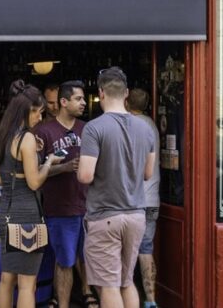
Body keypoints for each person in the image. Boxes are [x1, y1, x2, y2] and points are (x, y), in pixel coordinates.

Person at [78, 68, 156, 308]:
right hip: (136, 215)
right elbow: (147, 173)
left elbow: (85, 175)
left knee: (109, 285)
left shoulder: (94, 128)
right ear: (126, 94)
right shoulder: (146, 128)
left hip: (105, 216)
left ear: (100, 93)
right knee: (126, 281)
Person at [0, 80, 64, 308]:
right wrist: (48, 162)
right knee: (27, 285)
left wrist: (33, 156)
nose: (40, 118)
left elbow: (2, 179)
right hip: (27, 217)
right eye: (38, 113)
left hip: (5, 213)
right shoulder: (27, 139)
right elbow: (34, 183)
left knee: (6, 279)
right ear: (26, 110)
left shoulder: (0, 136)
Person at [34, 80, 97, 308]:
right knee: (65, 262)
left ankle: (88, 293)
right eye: (78, 99)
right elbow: (34, 173)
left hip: (90, 207)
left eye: (83, 99)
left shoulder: (87, 129)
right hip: (60, 209)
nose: (83, 103)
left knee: (91, 260)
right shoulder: (43, 131)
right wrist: (64, 167)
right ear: (63, 102)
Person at [127, 88, 161, 308]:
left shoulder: (132, 126)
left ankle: (125, 299)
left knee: (125, 252)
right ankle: (150, 301)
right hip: (152, 199)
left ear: (127, 102)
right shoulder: (152, 125)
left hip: (133, 199)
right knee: (146, 249)